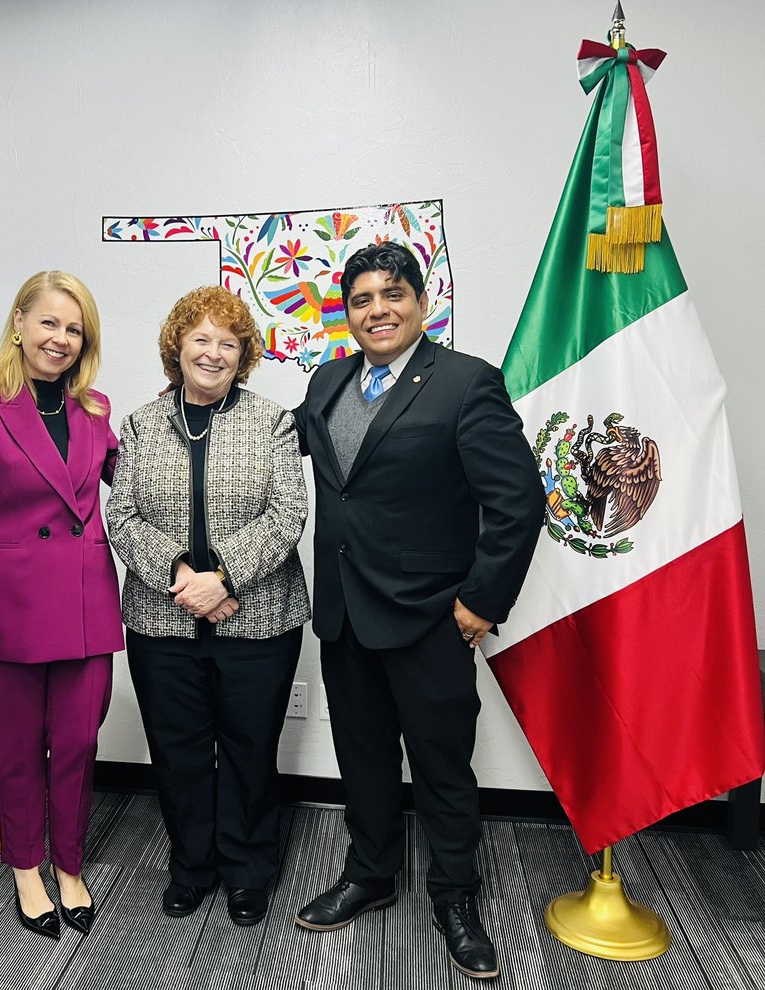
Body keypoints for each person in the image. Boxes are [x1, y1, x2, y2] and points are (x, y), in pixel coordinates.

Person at [292, 243, 542, 979]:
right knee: (362, 759)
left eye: (391, 295)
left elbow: (518, 501)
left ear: (420, 303)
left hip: (433, 616)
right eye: (362, 299)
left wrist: (480, 603)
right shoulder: (328, 380)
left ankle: (457, 898)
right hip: (343, 616)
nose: (378, 310)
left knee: (442, 769)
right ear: (349, 313)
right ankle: (370, 874)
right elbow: (287, 451)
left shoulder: (466, 383)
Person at [106, 285, 310, 927]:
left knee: (251, 749)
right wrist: (181, 576)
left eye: (229, 342)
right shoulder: (139, 423)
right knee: (178, 750)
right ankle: (192, 866)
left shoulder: (273, 420)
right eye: (201, 339)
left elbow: (288, 512)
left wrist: (222, 579)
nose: (214, 353)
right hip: (161, 621)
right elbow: (120, 511)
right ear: (178, 346)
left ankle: (249, 870)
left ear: (244, 354)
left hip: (258, 620)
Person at [0, 271, 122, 940]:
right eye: (49, 322)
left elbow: (128, 483)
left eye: (75, 329)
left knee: (77, 743)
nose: (61, 339)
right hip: (10, 612)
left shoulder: (96, 408)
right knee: (19, 750)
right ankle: (25, 866)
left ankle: (70, 865)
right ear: (19, 322)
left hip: (85, 607)